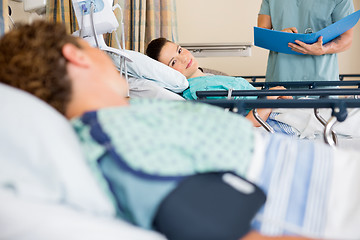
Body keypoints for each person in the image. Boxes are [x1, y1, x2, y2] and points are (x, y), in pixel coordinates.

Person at [1, 20, 360, 240]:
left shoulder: (125, 122)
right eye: (100, 52)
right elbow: (225, 227)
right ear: (75, 55)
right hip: (329, 202)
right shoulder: (116, 138)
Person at [145, 37, 292, 128]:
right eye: (173, 62)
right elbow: (243, 126)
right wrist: (269, 99)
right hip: (269, 119)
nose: (184, 58)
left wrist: (270, 96)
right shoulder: (200, 92)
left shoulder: (207, 77)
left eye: (179, 50)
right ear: (166, 73)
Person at [257, 0, 354, 83]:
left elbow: (346, 37)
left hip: (321, 82)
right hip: (280, 80)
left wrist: (323, 49)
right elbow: (261, 34)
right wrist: (279, 36)